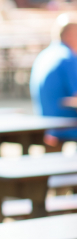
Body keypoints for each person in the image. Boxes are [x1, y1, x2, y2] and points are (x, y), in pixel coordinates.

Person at [29, 13, 77, 147]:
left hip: (45, 121)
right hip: (64, 124)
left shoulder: (44, 55)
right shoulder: (67, 57)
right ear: (70, 35)